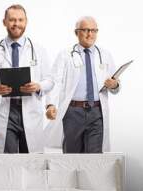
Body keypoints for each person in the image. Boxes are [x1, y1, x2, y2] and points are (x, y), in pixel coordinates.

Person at [0, 4, 53, 153]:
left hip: (30, 108)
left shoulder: (39, 50)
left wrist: (38, 86)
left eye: (20, 20)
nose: (16, 24)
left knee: (32, 163)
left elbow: (50, 80)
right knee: (6, 163)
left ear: (26, 22)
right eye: (12, 20)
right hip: (5, 112)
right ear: (4, 22)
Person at [45, 16, 120, 153]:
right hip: (73, 112)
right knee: (71, 156)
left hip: (97, 112)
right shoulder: (65, 55)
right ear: (76, 32)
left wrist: (114, 85)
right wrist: (50, 105)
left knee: (94, 158)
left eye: (93, 30)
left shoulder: (105, 54)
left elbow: (115, 85)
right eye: (85, 30)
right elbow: (54, 81)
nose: (90, 34)